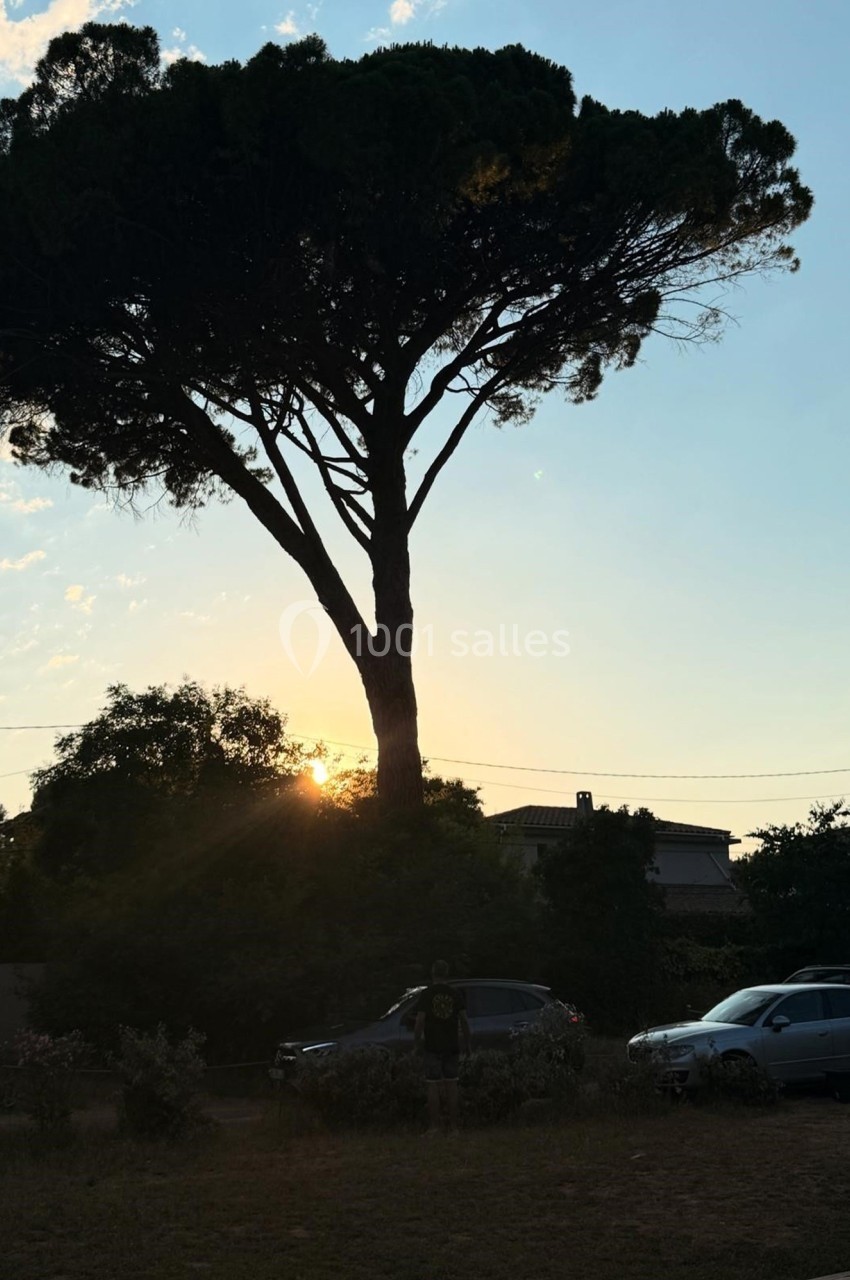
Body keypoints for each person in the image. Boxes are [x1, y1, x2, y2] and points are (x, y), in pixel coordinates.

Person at [413, 960, 471, 1133]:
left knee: (432, 1085)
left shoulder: (427, 994)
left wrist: (417, 1043)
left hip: (432, 1044)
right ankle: (454, 1127)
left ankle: (434, 1127)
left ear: (433, 973)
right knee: (452, 1085)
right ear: (447, 974)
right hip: (451, 1044)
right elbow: (465, 1021)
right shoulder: (455, 994)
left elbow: (420, 1021)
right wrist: (467, 1043)